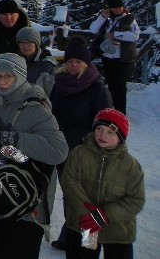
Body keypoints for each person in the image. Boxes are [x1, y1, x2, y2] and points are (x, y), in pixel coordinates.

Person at [0, 53, 68, 259]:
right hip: (2, 197)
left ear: (20, 77)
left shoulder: (35, 107)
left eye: (9, 76)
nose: (2, 81)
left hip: (29, 203)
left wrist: (17, 139)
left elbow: (58, 150)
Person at [49, 37, 113, 251]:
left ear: (86, 63)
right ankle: (71, 237)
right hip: (62, 149)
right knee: (71, 196)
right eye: (70, 61)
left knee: (86, 200)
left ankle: (88, 244)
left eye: (78, 61)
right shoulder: (59, 85)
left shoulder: (97, 89)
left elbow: (108, 124)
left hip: (87, 153)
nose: (73, 65)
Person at [61, 109, 144, 259]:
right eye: (99, 129)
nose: (102, 135)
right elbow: (70, 183)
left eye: (110, 132)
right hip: (86, 227)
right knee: (83, 255)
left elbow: (136, 200)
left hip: (117, 230)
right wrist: (88, 214)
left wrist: (105, 215)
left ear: (121, 138)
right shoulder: (79, 154)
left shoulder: (130, 166)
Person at [88, 0, 140, 114]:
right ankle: (111, 110)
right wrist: (102, 17)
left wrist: (116, 35)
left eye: (119, 7)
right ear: (110, 8)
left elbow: (135, 36)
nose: (118, 9)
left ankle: (121, 113)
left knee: (119, 85)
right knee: (111, 84)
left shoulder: (129, 18)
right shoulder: (107, 19)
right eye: (115, 7)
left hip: (123, 57)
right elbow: (93, 29)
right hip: (107, 55)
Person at [15, 26, 57, 96]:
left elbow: (52, 93)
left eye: (29, 43)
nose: (25, 46)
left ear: (36, 44)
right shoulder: (13, 62)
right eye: (22, 43)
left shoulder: (47, 66)